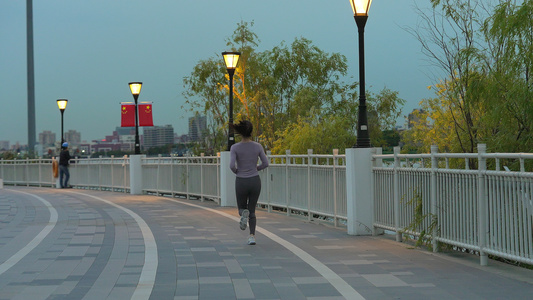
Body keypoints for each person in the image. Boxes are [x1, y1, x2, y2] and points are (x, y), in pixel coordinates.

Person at [229, 120, 269, 245]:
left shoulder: (235, 147)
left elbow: (231, 165)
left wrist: (237, 171)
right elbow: (266, 163)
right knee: (252, 211)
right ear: (251, 132)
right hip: (254, 180)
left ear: (240, 132)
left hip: (241, 180)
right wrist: (256, 168)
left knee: (241, 208)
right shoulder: (257, 146)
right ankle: (252, 236)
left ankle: (243, 213)